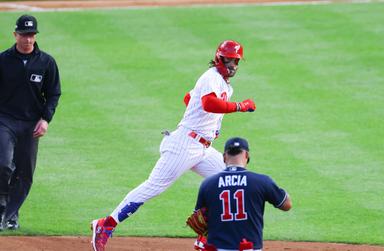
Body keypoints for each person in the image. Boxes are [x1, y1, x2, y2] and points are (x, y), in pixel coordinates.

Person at [91, 40, 256, 251]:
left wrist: (199, 112)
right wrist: (240, 107)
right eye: (230, 60)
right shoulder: (211, 77)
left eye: (236, 61)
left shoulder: (223, 85)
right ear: (219, 58)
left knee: (231, 180)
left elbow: (190, 98)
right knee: (153, 187)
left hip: (202, 148)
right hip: (185, 144)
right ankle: (105, 225)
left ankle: (206, 237)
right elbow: (208, 104)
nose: (233, 65)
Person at [0, 14, 61, 231]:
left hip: (31, 124)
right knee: (3, 165)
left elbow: (54, 93)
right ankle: (1, 209)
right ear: (15, 35)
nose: (28, 39)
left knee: (25, 173)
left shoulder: (46, 62)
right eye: (24, 35)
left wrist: (45, 119)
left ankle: (11, 215)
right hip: (4, 120)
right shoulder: (3, 60)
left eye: (31, 35)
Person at [191, 137, 292, 251]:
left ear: (224, 157)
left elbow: (199, 221)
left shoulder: (208, 184)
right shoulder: (262, 181)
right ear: (247, 156)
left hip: (218, 248)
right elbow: (286, 205)